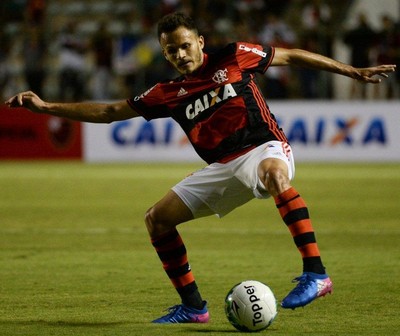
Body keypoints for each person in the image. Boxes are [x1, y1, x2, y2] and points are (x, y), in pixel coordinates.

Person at [5, 12, 396, 324]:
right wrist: (47, 107)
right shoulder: (167, 93)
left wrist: (351, 71)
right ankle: (194, 308)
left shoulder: (233, 56)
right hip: (223, 168)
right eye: (171, 50)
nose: (179, 54)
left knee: (274, 175)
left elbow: (290, 55)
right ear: (165, 53)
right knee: (157, 219)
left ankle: (316, 272)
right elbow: (110, 111)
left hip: (263, 147)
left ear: (200, 42)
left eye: (185, 46)